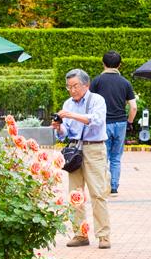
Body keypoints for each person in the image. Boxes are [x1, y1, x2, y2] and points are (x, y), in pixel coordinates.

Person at [55, 68, 111, 248]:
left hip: (94, 149)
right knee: (75, 194)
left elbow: (96, 121)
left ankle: (103, 236)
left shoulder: (97, 100)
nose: (72, 90)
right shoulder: (68, 103)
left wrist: (71, 115)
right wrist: (59, 127)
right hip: (75, 151)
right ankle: (80, 234)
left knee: (97, 193)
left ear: (86, 85)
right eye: (68, 87)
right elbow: (66, 133)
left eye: (75, 86)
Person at [90, 51, 138, 195]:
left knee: (103, 156)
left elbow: (89, 103)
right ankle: (114, 186)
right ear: (120, 65)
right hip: (121, 123)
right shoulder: (125, 83)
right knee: (116, 156)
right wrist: (129, 122)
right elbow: (133, 107)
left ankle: (103, 185)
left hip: (103, 124)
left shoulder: (97, 81)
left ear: (103, 63)